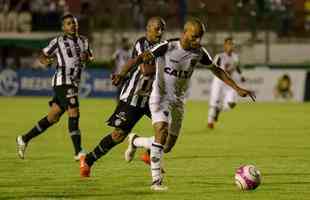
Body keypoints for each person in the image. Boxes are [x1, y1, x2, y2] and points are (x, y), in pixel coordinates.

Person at [110, 18, 255, 191]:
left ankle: (135, 141)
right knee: (161, 131)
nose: (197, 41)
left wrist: (237, 88)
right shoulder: (167, 46)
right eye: (194, 37)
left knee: (167, 146)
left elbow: (216, 69)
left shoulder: (199, 52)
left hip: (178, 102)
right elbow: (139, 58)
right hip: (159, 96)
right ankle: (156, 182)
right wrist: (121, 74)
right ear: (184, 33)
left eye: (200, 37)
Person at [79, 17, 166, 177]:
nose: (160, 32)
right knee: (118, 135)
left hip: (152, 98)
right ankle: (88, 160)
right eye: (157, 29)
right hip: (134, 96)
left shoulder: (163, 47)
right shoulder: (142, 43)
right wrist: (164, 68)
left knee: (166, 127)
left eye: (162, 29)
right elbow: (145, 69)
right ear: (148, 29)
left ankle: (148, 152)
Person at [16, 14, 93, 160]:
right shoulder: (58, 41)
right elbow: (43, 55)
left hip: (74, 83)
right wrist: (46, 61)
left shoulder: (84, 41)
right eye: (69, 23)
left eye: (74, 23)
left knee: (53, 117)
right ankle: (78, 151)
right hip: (62, 81)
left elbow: (89, 57)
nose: (73, 25)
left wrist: (86, 58)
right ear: (63, 27)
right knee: (74, 110)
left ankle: (24, 139)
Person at [207, 37, 246, 129]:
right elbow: (212, 67)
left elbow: (237, 67)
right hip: (219, 81)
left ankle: (218, 111)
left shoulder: (235, 57)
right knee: (215, 102)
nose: (230, 46)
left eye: (232, 44)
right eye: (228, 44)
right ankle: (210, 122)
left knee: (232, 103)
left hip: (229, 82)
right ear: (224, 46)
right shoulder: (220, 56)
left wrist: (241, 76)